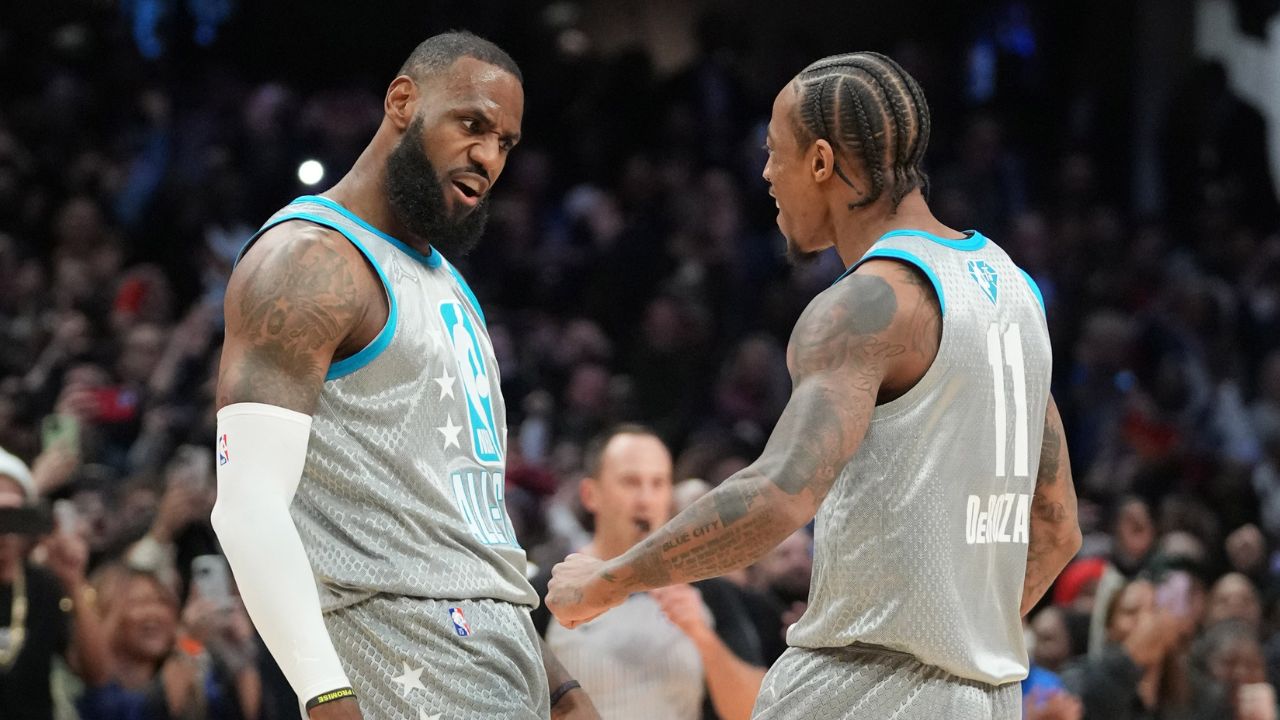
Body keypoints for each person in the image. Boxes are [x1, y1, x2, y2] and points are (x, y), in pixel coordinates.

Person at [546, 51, 1082, 719]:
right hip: (985, 697)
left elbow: (776, 497)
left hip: (862, 691)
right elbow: (1058, 529)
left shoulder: (865, 304)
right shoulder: (1014, 292)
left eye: (775, 153)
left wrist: (609, 580)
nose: (767, 175)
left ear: (822, 162)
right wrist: (960, 646)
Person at [211, 31, 595, 720]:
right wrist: (325, 696)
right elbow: (246, 508)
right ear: (402, 101)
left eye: (506, 142)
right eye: (471, 124)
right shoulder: (309, 261)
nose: (488, 156)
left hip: (503, 670)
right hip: (395, 662)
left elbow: (464, 537)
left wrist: (557, 684)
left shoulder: (450, 285)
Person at [530, 425, 768, 720]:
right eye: (630, 482)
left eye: (658, 483)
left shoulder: (707, 590)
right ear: (591, 494)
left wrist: (701, 635)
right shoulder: (549, 589)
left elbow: (755, 711)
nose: (645, 499)